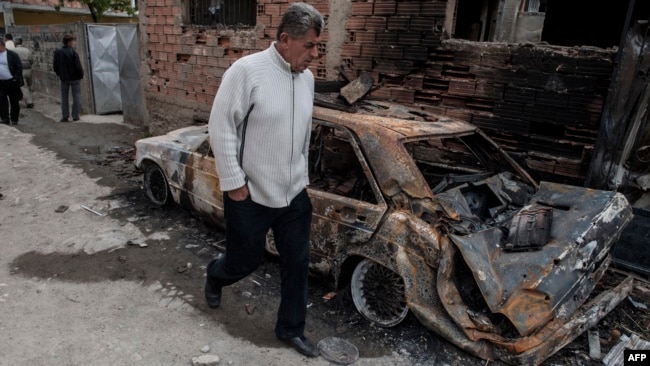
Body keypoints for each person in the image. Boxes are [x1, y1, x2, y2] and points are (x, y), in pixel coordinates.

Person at [206, 2, 323, 358]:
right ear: (285, 40)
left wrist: (301, 176)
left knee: (297, 262)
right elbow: (221, 125)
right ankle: (215, 275)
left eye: (318, 46)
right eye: (310, 46)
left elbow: (302, 133)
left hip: (293, 196)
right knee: (244, 262)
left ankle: (290, 329)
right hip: (251, 193)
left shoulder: (308, 80)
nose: (314, 55)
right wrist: (234, 182)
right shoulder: (247, 71)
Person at [53, 34, 84, 122]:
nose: (73, 43)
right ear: (69, 42)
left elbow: (55, 65)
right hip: (75, 78)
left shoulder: (58, 51)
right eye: (72, 41)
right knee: (76, 96)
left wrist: (59, 73)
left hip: (64, 78)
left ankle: (65, 116)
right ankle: (75, 115)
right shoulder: (73, 52)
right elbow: (78, 66)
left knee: (64, 97)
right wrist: (80, 75)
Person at [0, 39, 23, 125]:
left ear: (2, 46)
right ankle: (5, 118)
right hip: (1, 82)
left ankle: (14, 119)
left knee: (14, 101)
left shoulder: (12, 55)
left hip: (11, 82)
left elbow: (19, 67)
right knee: (1, 100)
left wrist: (15, 78)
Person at [12, 37, 33, 109]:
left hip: (21, 70)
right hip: (29, 69)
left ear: (15, 43)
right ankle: (30, 98)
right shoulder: (27, 50)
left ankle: (29, 101)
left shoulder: (13, 51)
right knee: (29, 85)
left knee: (24, 86)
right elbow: (31, 60)